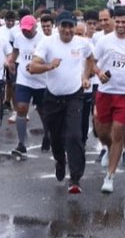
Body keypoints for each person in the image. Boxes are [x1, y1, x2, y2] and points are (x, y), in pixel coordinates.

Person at [29, 12, 95, 194]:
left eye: (70, 26)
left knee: (74, 136)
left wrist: (85, 76)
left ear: (75, 27)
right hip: (52, 97)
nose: (67, 30)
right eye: (63, 26)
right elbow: (33, 67)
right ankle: (60, 160)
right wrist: (48, 66)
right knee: (55, 139)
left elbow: (90, 58)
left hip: (75, 96)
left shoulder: (82, 43)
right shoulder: (47, 43)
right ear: (57, 27)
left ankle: (75, 179)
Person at [92, 6, 125, 192]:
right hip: (105, 92)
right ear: (113, 21)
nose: (121, 25)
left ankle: (110, 176)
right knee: (103, 132)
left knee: (118, 131)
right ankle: (109, 148)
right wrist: (99, 73)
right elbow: (92, 62)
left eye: (124, 22)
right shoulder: (104, 41)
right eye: (118, 21)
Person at [10, 14, 47, 156]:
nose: (26, 32)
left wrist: (38, 66)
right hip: (24, 79)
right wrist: (11, 61)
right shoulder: (19, 38)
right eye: (24, 29)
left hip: (41, 81)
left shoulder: (44, 40)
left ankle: (48, 135)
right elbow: (15, 50)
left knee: (43, 111)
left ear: (35, 27)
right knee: (21, 107)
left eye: (29, 29)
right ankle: (21, 143)